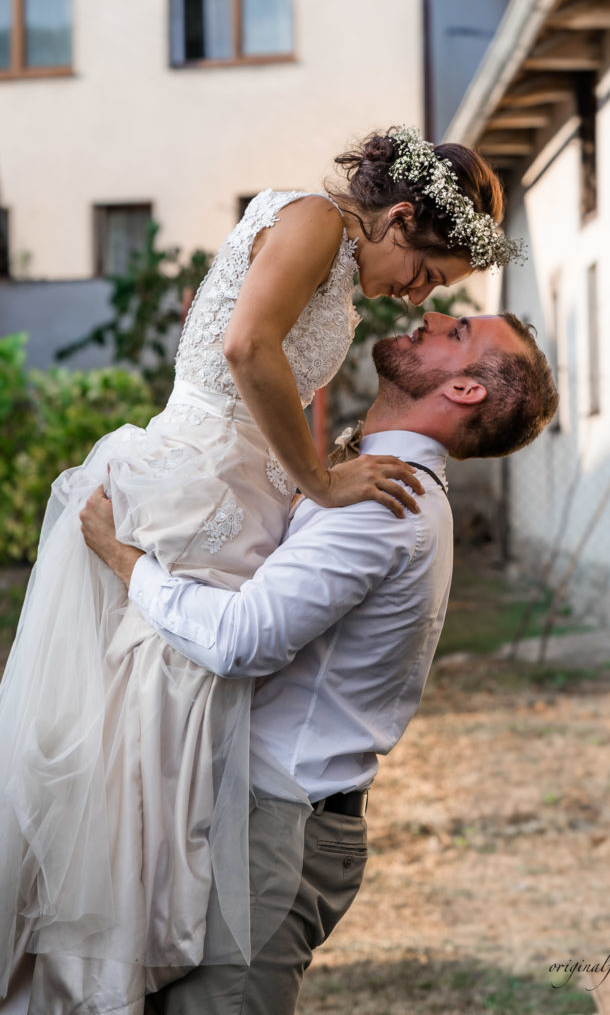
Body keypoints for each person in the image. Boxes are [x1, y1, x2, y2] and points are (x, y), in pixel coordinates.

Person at [0, 127, 525, 1013]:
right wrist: (318, 482)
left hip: (236, 488)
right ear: (400, 218)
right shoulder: (315, 219)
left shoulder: (331, 262)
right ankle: (99, 953)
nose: (418, 296)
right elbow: (247, 349)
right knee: (138, 727)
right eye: (427, 274)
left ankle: (134, 944)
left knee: (159, 737)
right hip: (199, 488)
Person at [79, 309, 559, 1014]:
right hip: (262, 814)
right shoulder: (366, 484)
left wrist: (125, 561)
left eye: (456, 332)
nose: (431, 316)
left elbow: (241, 640)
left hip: (276, 830)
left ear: (464, 390)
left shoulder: (383, 503)